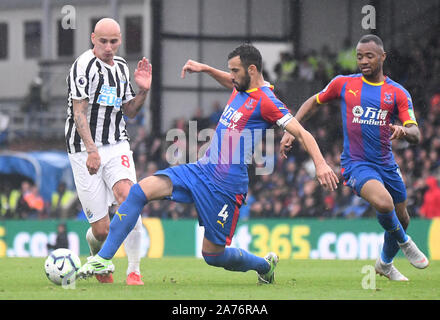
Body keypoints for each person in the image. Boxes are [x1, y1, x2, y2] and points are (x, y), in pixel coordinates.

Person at [77, 43, 339, 283]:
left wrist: (321, 164)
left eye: (235, 71)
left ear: (251, 69)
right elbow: (229, 80)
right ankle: (103, 259)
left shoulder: (267, 101)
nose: (231, 76)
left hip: (226, 187)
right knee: (138, 191)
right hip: (201, 170)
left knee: (213, 255)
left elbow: (303, 132)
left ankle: (264, 266)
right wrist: (203, 68)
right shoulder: (241, 86)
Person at [280, 34, 429, 281]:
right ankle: (406, 243)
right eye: (359, 57)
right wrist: (291, 128)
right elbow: (313, 102)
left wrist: (403, 130)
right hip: (356, 164)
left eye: (369, 56)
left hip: (387, 164)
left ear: (383, 57)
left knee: (403, 218)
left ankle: (385, 263)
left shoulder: (397, 93)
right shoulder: (343, 83)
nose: (363, 61)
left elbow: (416, 132)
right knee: (384, 203)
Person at [65, 18, 152, 285]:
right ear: (93, 38)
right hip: (83, 149)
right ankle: (97, 252)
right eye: (103, 41)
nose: (108, 47)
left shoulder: (122, 67)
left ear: (120, 40)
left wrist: (143, 91)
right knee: (101, 230)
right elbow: (79, 111)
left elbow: (129, 111)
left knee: (130, 198)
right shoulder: (83, 66)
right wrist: (92, 151)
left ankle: (134, 271)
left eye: (113, 41)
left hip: (116, 144)